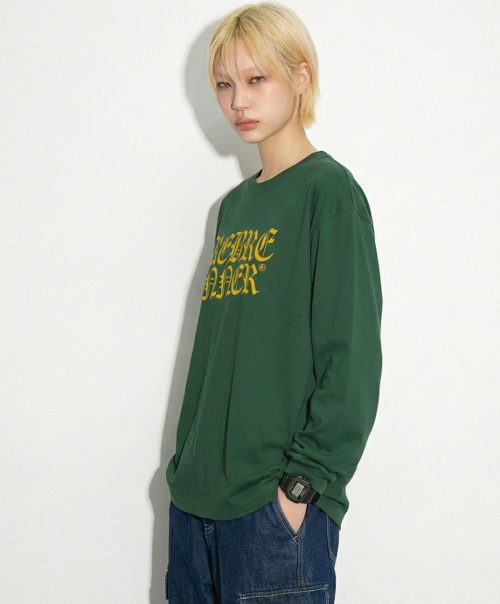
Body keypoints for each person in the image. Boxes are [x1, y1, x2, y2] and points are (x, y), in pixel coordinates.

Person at [165, 2, 383, 602]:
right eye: (224, 84)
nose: (239, 101)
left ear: (301, 76)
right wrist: (185, 475)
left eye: (256, 79)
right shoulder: (233, 208)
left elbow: (351, 360)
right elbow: (218, 356)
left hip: (271, 513)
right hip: (194, 509)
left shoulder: (329, 193)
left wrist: (300, 489)